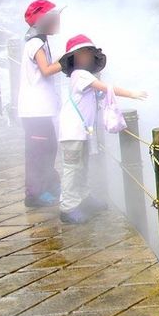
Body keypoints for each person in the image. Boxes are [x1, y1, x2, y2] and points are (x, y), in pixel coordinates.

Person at [57, 34, 147, 224]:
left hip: (81, 131)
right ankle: (68, 207)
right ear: (73, 57)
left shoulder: (84, 76)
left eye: (89, 53)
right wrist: (132, 93)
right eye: (82, 53)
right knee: (72, 168)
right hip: (72, 131)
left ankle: (83, 198)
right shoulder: (79, 75)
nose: (87, 57)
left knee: (82, 166)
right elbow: (106, 88)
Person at [18, 0, 64, 208]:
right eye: (54, 19)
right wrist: (66, 62)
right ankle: (34, 194)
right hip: (34, 109)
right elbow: (46, 70)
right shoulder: (35, 43)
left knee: (49, 147)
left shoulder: (40, 42)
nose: (58, 22)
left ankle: (49, 186)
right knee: (39, 151)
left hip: (40, 109)